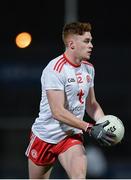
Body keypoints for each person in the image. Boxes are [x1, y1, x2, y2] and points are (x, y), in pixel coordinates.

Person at [25, 22, 115, 179]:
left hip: (71, 136)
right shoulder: (55, 69)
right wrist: (89, 128)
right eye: (86, 41)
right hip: (45, 136)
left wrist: (104, 124)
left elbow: (92, 104)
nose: (91, 45)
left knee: (79, 177)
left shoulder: (89, 68)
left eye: (91, 41)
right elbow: (58, 112)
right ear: (71, 44)